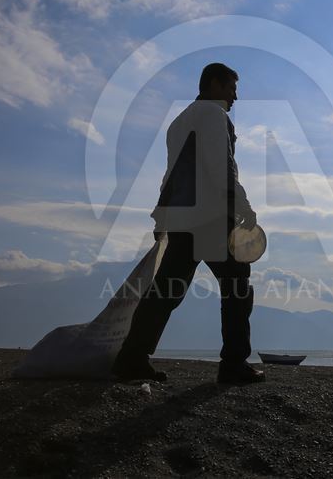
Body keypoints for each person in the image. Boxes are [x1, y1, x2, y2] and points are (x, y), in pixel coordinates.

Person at [112, 63, 265, 385]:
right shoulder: (212, 115)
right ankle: (234, 364)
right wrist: (244, 207)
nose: (235, 97)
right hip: (209, 215)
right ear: (213, 84)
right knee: (238, 285)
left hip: (183, 217)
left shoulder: (179, 121)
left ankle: (131, 358)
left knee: (166, 290)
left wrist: (162, 213)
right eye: (231, 88)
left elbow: (173, 173)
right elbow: (220, 165)